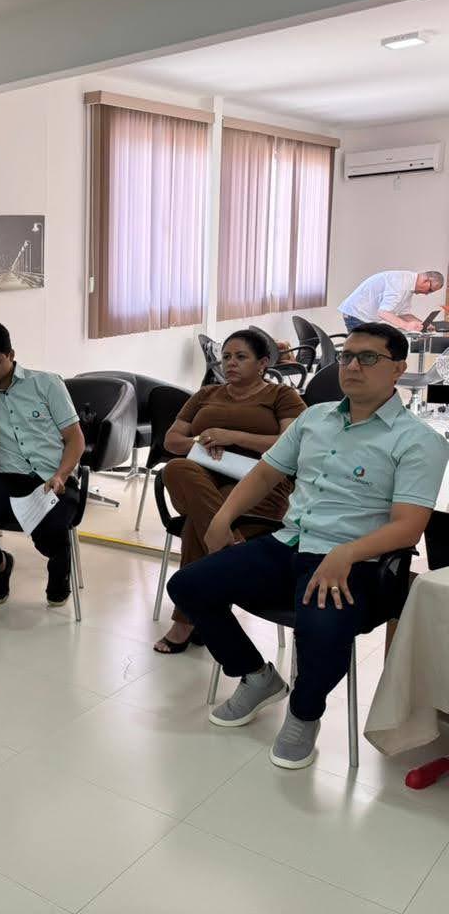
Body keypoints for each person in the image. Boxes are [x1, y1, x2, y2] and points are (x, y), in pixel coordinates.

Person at [168, 322, 449, 770]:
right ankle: (256, 677)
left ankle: (304, 713)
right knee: (188, 586)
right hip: (289, 543)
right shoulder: (315, 418)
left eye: (368, 358)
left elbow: (408, 527)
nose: (352, 366)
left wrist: (346, 553)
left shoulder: (419, 441)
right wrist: (221, 519)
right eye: (347, 356)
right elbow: (266, 473)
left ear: (399, 368)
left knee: (320, 631)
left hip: (356, 561)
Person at [154, 330, 306, 654]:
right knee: (175, 468)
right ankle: (231, 543)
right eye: (226, 357)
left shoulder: (282, 396)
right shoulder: (206, 394)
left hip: (260, 485)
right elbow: (172, 440)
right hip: (201, 481)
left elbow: (293, 444)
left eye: (240, 357)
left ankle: (186, 621)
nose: (231, 363)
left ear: (263, 363)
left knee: (198, 525)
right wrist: (201, 441)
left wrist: (231, 436)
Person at [0, 323, 85, 606]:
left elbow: (75, 439)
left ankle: (59, 571)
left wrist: (61, 475)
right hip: (10, 479)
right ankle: (0, 567)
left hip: (54, 477)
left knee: (51, 531)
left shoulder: (47, 383)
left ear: (11, 355)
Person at [337, 268, 443, 332]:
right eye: (430, 290)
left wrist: (422, 324)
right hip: (355, 314)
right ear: (425, 281)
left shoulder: (409, 285)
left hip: (366, 318)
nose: (427, 294)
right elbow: (383, 312)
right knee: (364, 353)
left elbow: (404, 313)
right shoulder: (400, 284)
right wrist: (406, 326)